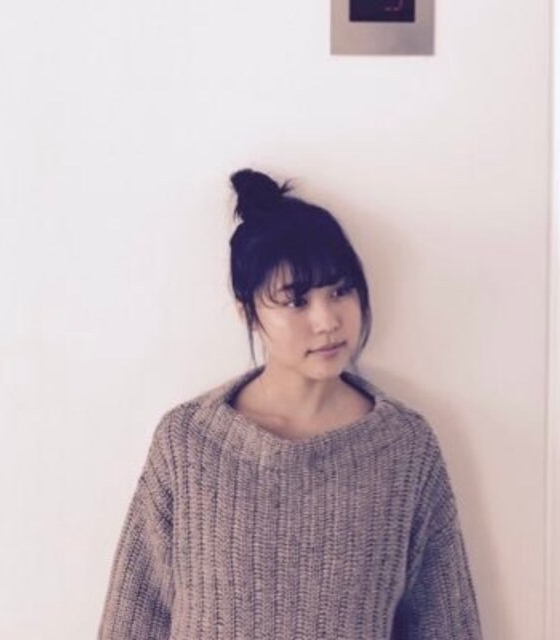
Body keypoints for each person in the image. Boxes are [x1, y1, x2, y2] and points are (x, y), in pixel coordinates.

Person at [98, 169, 483, 639]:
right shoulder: (188, 444)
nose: (327, 321)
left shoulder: (404, 449)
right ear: (247, 312)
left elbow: (445, 625)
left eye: (340, 290)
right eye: (296, 301)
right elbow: (134, 620)